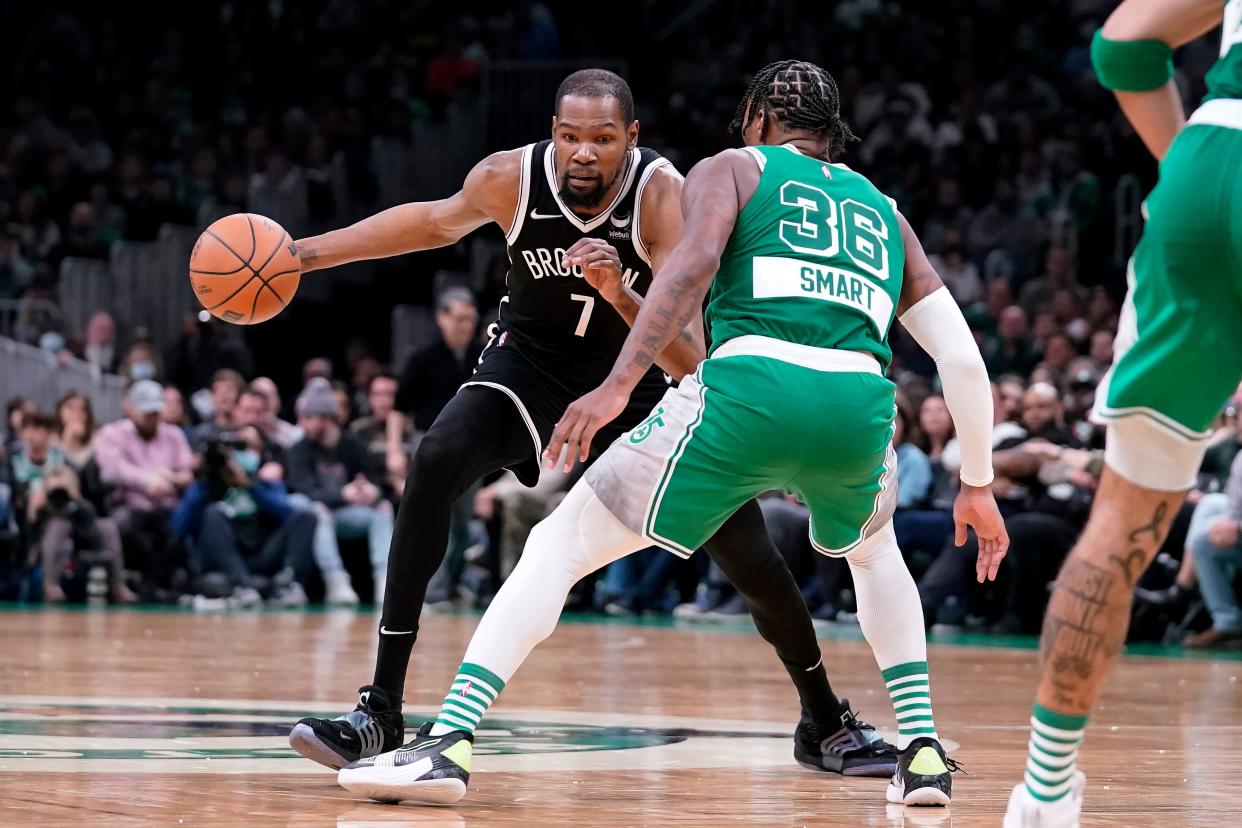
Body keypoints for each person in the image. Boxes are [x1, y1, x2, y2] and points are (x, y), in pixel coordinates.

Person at [337, 59, 1007, 809]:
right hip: (858, 409)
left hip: (748, 387)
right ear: (831, 132)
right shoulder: (884, 209)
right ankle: (920, 755)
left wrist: (617, 385)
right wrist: (976, 483)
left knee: (555, 549)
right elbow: (960, 357)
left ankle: (448, 743)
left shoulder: (730, 168)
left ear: (756, 122)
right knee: (875, 555)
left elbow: (686, 271)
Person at [1005, 3, 1242, 824]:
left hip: (1210, 165)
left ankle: (1041, 793)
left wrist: (1194, 170)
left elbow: (1123, 44)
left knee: (1121, 520)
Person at [287, 380, 391, 605]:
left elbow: (375, 481)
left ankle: (384, 581)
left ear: (325, 418)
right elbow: (304, 491)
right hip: (320, 515)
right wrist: (343, 495)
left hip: (348, 514)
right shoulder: (299, 449)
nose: (301, 424)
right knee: (316, 510)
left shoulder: (353, 444)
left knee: (383, 509)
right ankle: (336, 581)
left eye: (307, 418)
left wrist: (371, 492)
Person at [94, 381, 194, 597]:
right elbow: (112, 469)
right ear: (132, 408)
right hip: (130, 506)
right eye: (146, 412)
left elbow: (188, 472)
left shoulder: (174, 434)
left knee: (187, 518)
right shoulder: (112, 433)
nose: (151, 418)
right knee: (122, 523)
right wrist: (147, 480)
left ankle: (171, 582)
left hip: (167, 506)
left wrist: (174, 478)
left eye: (155, 412)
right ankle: (144, 581)